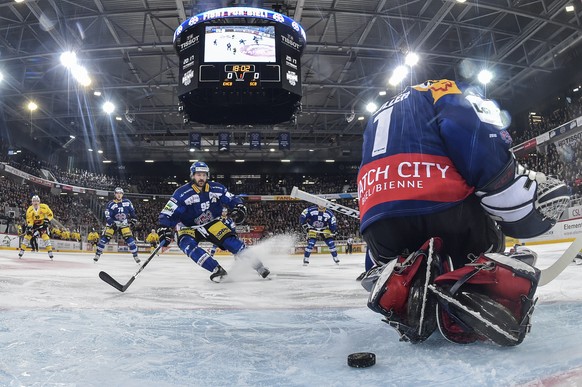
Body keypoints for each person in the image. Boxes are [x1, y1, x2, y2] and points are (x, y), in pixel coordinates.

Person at [358, 79, 569, 346]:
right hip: (443, 209)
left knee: (396, 260)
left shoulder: (375, 116)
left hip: (379, 230)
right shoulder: (440, 88)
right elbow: (470, 134)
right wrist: (516, 189)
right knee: (488, 220)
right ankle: (477, 284)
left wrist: (379, 262)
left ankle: (406, 285)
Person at [157, 161, 270, 282]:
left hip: (211, 223)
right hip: (187, 227)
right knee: (187, 245)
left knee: (231, 242)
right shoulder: (181, 193)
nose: (201, 178)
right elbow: (167, 213)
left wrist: (239, 207)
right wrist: (164, 227)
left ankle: (258, 266)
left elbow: (232, 198)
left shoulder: (217, 188)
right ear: (192, 175)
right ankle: (216, 269)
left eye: (204, 175)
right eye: (198, 174)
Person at [93, 187, 141, 264]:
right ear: (115, 194)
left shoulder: (127, 202)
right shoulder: (110, 204)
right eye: (117, 193)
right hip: (112, 223)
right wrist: (111, 223)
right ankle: (97, 254)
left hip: (123, 224)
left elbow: (132, 213)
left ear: (122, 194)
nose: (119, 195)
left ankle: (136, 256)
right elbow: (107, 216)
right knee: (104, 239)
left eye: (120, 193)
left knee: (130, 240)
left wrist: (133, 220)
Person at [18, 195, 54, 260]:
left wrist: (47, 220)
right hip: (34, 224)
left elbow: (50, 214)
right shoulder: (30, 209)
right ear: (32, 202)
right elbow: (29, 219)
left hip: (42, 223)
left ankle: (50, 251)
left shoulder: (44, 207)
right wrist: (29, 227)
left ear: (39, 202)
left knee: (45, 236)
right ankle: (22, 251)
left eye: (37, 201)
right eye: (34, 201)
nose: (35, 203)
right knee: (27, 236)